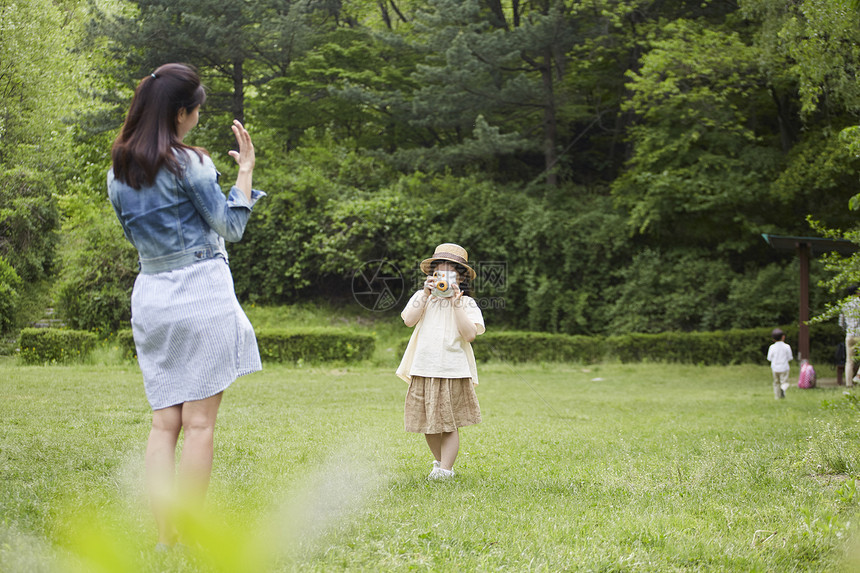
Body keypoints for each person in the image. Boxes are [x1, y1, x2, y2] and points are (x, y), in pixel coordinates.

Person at [108, 63, 265, 549]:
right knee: (199, 425)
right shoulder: (190, 163)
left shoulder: (118, 171)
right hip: (200, 292)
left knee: (164, 424)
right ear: (180, 113)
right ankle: (189, 533)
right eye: (196, 110)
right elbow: (230, 228)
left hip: (152, 296)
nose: (197, 118)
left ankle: (163, 536)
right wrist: (244, 171)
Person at [396, 243, 485, 480]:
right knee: (428, 422)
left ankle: (446, 470)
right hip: (423, 367)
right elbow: (409, 321)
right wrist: (425, 294)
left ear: (461, 276)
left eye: (450, 271)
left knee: (448, 422)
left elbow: (470, 335)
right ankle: (439, 463)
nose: (443, 276)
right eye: (439, 271)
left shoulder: (466, 304)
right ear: (432, 275)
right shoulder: (421, 298)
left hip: (453, 371)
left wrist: (456, 303)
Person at [838, 286, 860, 387]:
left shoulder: (845, 305)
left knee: (849, 361)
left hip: (849, 335)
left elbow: (841, 323)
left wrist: (847, 329)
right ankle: (858, 375)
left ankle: (848, 385)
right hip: (859, 335)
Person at [766, 328, 793, 400]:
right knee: (784, 382)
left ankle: (777, 396)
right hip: (784, 367)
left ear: (773, 339)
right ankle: (783, 391)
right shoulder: (787, 346)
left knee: (776, 382)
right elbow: (790, 357)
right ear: (783, 337)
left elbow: (769, 358)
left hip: (775, 368)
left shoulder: (772, 347)